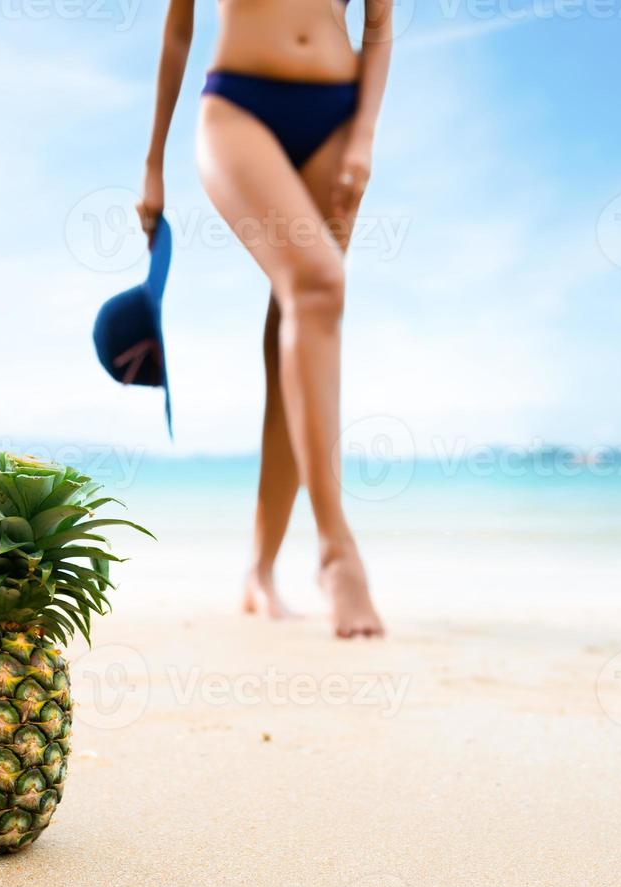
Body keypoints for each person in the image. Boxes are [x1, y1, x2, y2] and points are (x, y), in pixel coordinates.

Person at [138, 0, 392, 637]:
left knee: (302, 311)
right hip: (238, 109)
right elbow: (177, 29)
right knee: (319, 284)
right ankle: (337, 553)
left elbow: (380, 24)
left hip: (338, 115)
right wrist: (152, 163)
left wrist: (363, 135)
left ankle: (260, 569)